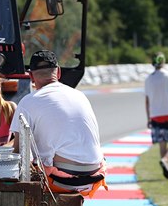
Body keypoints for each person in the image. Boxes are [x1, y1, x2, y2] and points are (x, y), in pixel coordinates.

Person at [10, 50, 106, 197]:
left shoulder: (28, 101)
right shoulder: (79, 95)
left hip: (61, 179)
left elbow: (18, 151)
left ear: (31, 77)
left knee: (25, 171)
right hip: (95, 175)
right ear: (58, 72)